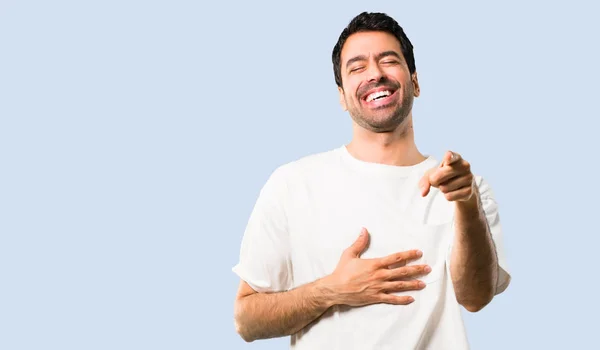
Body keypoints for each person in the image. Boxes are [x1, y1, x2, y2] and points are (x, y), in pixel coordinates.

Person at [231, 11, 511, 350]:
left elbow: (475, 297)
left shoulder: (466, 188)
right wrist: (331, 289)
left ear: (416, 82)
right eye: (357, 67)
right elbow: (246, 319)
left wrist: (466, 204)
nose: (375, 74)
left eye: (388, 60)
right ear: (342, 96)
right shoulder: (292, 184)